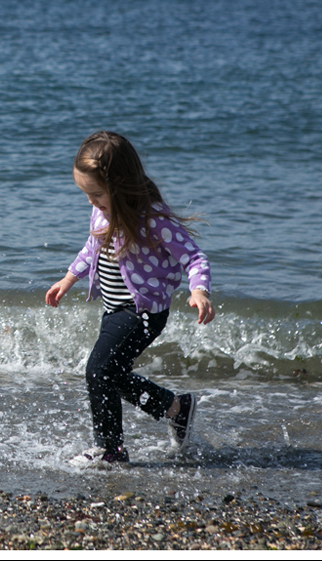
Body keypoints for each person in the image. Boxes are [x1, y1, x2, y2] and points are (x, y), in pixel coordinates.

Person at [45, 131, 214, 465]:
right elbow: (92, 246)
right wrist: (70, 277)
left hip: (143, 312)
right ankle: (175, 409)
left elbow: (195, 258)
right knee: (112, 374)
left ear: (120, 185)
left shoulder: (154, 220)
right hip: (114, 308)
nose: (91, 202)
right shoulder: (102, 212)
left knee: (98, 370)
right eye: (86, 194)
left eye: (95, 194)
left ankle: (110, 449)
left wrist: (199, 290)